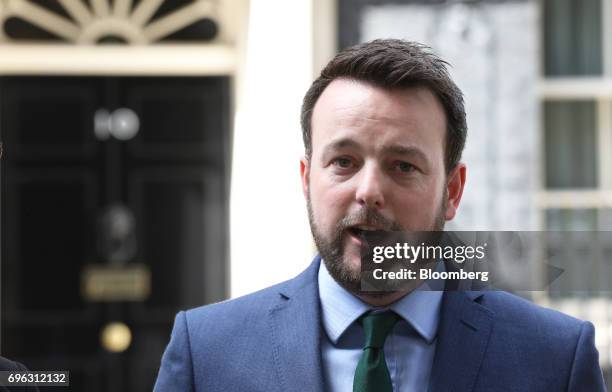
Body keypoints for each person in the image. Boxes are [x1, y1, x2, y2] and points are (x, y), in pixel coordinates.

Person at [154, 39, 606, 391]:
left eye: (403, 166)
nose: (368, 191)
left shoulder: (554, 356)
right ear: (307, 178)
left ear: (452, 190)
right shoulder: (207, 352)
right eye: (344, 162)